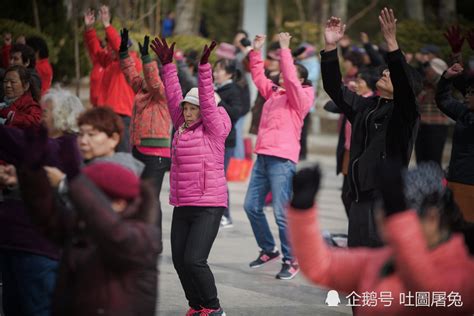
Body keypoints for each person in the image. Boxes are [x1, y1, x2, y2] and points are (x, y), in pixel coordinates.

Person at [287, 161, 474, 316]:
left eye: (394, 216)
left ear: (432, 218)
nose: (389, 226)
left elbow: (428, 290)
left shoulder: (463, 271)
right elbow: (323, 267)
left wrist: (398, 214)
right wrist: (303, 211)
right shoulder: (381, 261)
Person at [14, 134, 160, 316]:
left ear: (119, 203)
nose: (82, 205)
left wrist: (73, 182)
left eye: (90, 196)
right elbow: (48, 217)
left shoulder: (141, 237)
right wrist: (31, 171)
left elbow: (112, 231)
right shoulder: (83, 228)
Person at [321, 9, 422, 247]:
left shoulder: (405, 114)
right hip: (358, 196)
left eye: (391, 73)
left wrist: (391, 43)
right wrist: (329, 47)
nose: (385, 72)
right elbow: (334, 88)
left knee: (377, 267)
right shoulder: (367, 107)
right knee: (358, 261)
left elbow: (406, 89)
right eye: (385, 71)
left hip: (382, 200)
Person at [151, 37, 230, 316]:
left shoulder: (215, 129)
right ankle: (196, 306)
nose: (187, 111)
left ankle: (213, 307)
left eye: (192, 108)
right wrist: (168, 66)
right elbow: (173, 95)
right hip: (183, 203)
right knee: (180, 262)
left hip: (208, 204)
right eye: (186, 108)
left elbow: (208, 102)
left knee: (195, 260)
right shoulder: (181, 126)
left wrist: (205, 69)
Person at [0, 87, 85, 316]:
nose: (41, 116)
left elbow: (13, 141)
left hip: (36, 248)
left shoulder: (63, 147)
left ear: (62, 116)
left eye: (46, 112)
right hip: (17, 243)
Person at [244, 32, 314, 280]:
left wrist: (286, 50)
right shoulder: (274, 93)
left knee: (282, 212)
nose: (284, 74)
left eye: (290, 72)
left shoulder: (302, 97)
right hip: (263, 156)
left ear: (300, 79)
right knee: (251, 206)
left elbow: (293, 83)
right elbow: (258, 76)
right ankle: (268, 249)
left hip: (282, 160)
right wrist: (256, 51)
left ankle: (291, 258)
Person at [119, 29, 172, 229]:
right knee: (140, 197)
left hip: (156, 154)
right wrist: (124, 52)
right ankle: (141, 234)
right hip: (138, 148)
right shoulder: (142, 88)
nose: (146, 75)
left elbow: (153, 80)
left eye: (151, 71)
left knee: (151, 198)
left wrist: (146, 58)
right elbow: (130, 74)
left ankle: (154, 241)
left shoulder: (163, 92)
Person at [83, 6, 142, 152]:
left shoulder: (131, 61)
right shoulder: (111, 62)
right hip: (106, 113)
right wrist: (89, 29)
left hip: (122, 116)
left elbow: (118, 46)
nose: (108, 49)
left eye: (110, 46)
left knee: (122, 154)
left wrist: (107, 25)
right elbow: (96, 52)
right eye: (108, 46)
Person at [435, 63, 474, 222]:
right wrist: (446, 78)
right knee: (454, 228)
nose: (466, 95)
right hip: (455, 180)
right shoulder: (465, 113)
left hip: (470, 185)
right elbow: (443, 99)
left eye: (471, 93)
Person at [214, 58, 244, 227]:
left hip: (226, 141)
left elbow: (236, 113)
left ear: (230, 74)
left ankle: (226, 215)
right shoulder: (215, 88)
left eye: (219, 71)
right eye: (215, 70)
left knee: (220, 178)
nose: (215, 73)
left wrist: (219, 101)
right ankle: (214, 211)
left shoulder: (233, 90)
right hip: (213, 139)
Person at [415, 58, 450, 165]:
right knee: (421, 161)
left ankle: (435, 181)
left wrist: (434, 71)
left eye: (429, 68)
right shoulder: (423, 84)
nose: (426, 70)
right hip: (421, 126)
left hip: (436, 127)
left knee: (433, 160)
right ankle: (422, 181)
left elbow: (438, 80)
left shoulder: (444, 84)